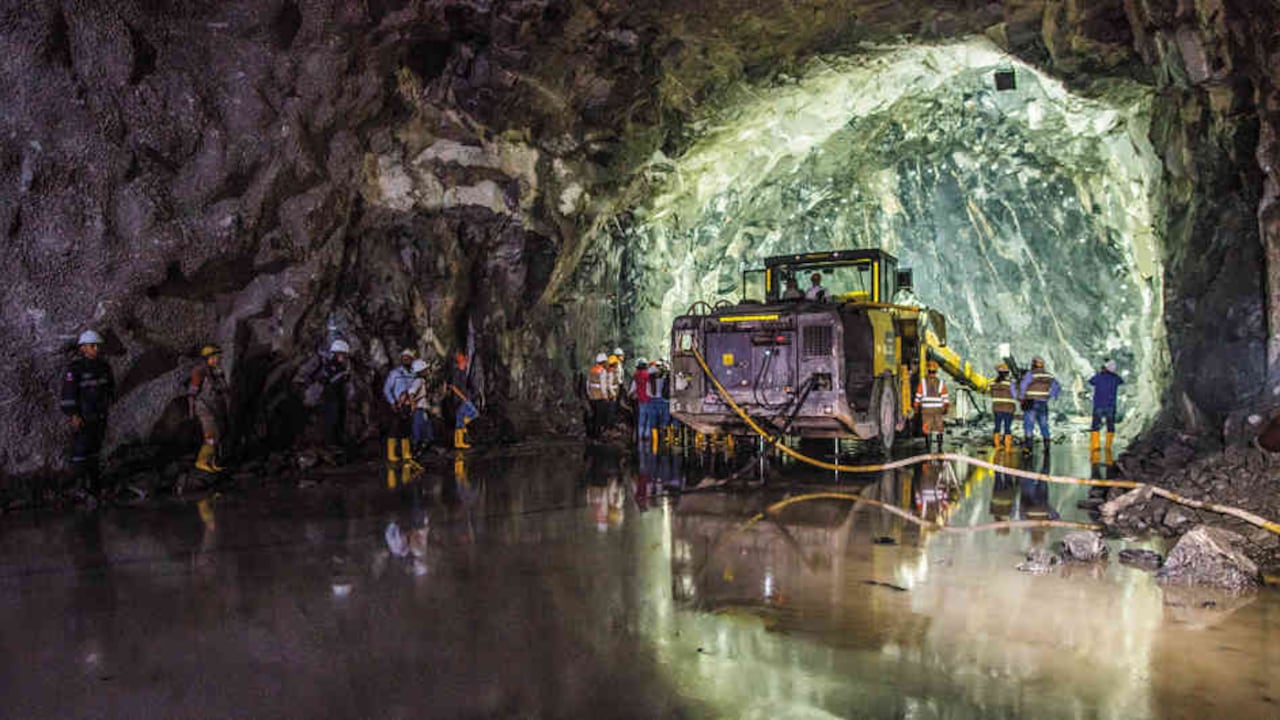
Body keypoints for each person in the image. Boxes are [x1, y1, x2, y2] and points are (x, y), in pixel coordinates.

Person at [60, 330, 114, 501]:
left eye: (98, 345)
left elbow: (110, 389)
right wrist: (74, 415)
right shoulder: (75, 369)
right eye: (92, 345)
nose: (96, 349)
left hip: (99, 416)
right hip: (83, 416)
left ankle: (94, 487)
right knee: (80, 452)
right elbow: (69, 394)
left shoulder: (104, 367)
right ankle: (78, 487)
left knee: (95, 453)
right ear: (83, 348)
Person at [189, 344, 230, 473]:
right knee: (210, 435)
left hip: (215, 407)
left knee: (218, 435)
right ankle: (202, 461)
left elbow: (224, 391)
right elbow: (192, 393)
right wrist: (191, 410)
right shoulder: (199, 372)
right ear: (207, 358)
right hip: (204, 408)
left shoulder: (217, 372)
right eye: (214, 357)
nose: (217, 359)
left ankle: (212, 462)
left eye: (218, 357)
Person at [311, 339, 352, 450]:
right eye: (341, 354)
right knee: (332, 417)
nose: (343, 357)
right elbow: (325, 380)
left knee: (341, 417)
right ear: (335, 354)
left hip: (339, 395)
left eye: (344, 355)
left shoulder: (342, 366)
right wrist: (339, 377)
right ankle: (330, 443)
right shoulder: (328, 366)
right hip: (330, 395)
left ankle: (340, 441)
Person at [1018, 355, 1061, 452]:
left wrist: (1021, 398)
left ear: (1033, 364)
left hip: (1031, 402)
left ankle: (1028, 447)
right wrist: (1049, 395)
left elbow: (1023, 386)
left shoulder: (1030, 374)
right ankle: (1047, 447)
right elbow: (1056, 387)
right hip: (1043, 403)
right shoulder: (1049, 376)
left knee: (1029, 424)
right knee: (1044, 424)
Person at [382, 348, 418, 462]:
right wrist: (392, 402)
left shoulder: (413, 374)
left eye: (408, 358)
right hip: (397, 404)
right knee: (395, 428)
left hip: (408, 404)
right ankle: (391, 454)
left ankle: (406, 452)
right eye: (404, 358)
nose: (406, 360)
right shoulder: (395, 373)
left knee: (407, 429)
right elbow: (387, 389)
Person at [1088, 359, 1124, 456]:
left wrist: (1101, 372)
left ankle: (1095, 446)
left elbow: (1091, 381)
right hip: (1110, 405)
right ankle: (1108, 446)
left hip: (1098, 404)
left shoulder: (1099, 377)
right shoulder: (1115, 378)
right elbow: (1121, 381)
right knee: (1110, 425)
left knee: (1096, 425)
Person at [913, 360, 949, 451]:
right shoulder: (941, 383)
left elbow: (918, 397)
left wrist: (916, 408)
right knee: (939, 428)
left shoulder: (923, 382)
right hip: (938, 410)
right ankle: (939, 449)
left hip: (927, 410)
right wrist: (945, 409)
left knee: (927, 428)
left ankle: (928, 449)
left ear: (927, 370)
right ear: (936, 371)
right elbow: (945, 398)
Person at [448, 352, 479, 449]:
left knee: (459, 420)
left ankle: (458, 442)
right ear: (461, 362)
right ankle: (461, 436)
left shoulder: (462, 372)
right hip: (460, 399)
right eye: (464, 361)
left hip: (461, 398)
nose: (466, 363)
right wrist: (463, 397)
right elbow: (453, 386)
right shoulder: (457, 372)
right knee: (474, 413)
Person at [408, 358, 436, 454]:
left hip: (422, 408)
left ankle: (424, 447)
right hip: (418, 409)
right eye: (426, 369)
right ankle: (415, 450)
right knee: (419, 428)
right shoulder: (418, 381)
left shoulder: (421, 381)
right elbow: (411, 393)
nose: (428, 371)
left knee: (426, 427)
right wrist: (413, 406)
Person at [990, 363, 1018, 451]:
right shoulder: (1011, 384)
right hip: (1008, 408)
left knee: (997, 426)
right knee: (1007, 428)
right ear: (1007, 373)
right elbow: (1015, 395)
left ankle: (997, 445)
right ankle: (1007, 447)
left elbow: (991, 393)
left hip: (997, 408)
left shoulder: (993, 383)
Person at [585, 353, 611, 438]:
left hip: (592, 397)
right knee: (599, 417)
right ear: (603, 362)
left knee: (593, 415)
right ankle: (597, 434)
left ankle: (591, 434)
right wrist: (605, 396)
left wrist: (589, 394)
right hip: (600, 397)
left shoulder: (592, 370)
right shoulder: (602, 371)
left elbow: (588, 384)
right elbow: (603, 385)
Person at [628, 359, 651, 443]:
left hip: (640, 399)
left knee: (641, 418)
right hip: (648, 399)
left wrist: (629, 394)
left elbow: (633, 388)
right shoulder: (648, 375)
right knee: (648, 418)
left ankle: (640, 435)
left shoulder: (636, 375)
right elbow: (649, 388)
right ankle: (647, 435)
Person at [647, 360, 671, 441]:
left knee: (653, 424)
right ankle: (665, 439)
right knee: (664, 421)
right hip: (663, 402)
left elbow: (647, 393)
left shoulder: (648, 381)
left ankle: (655, 440)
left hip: (652, 402)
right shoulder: (664, 380)